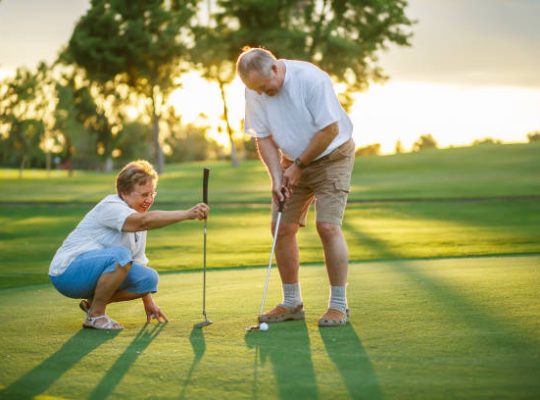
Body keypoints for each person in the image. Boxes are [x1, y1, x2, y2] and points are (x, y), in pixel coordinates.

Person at [237, 47, 355, 327]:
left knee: (327, 226)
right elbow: (262, 136)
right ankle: (292, 303)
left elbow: (330, 130)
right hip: (291, 161)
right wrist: (277, 178)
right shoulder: (254, 89)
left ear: (275, 69)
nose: (262, 94)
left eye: (265, 87)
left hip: (332, 156)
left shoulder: (311, 80)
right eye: (256, 90)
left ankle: (339, 306)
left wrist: (299, 167)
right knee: (281, 227)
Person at [49, 160, 209, 330]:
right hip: (67, 274)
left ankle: (92, 305)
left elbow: (137, 261)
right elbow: (142, 223)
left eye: (152, 194)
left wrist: (149, 303)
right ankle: (96, 316)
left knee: (149, 279)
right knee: (121, 255)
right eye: (143, 195)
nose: (149, 200)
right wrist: (187, 214)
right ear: (124, 193)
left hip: (93, 273)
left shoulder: (139, 218)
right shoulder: (111, 207)